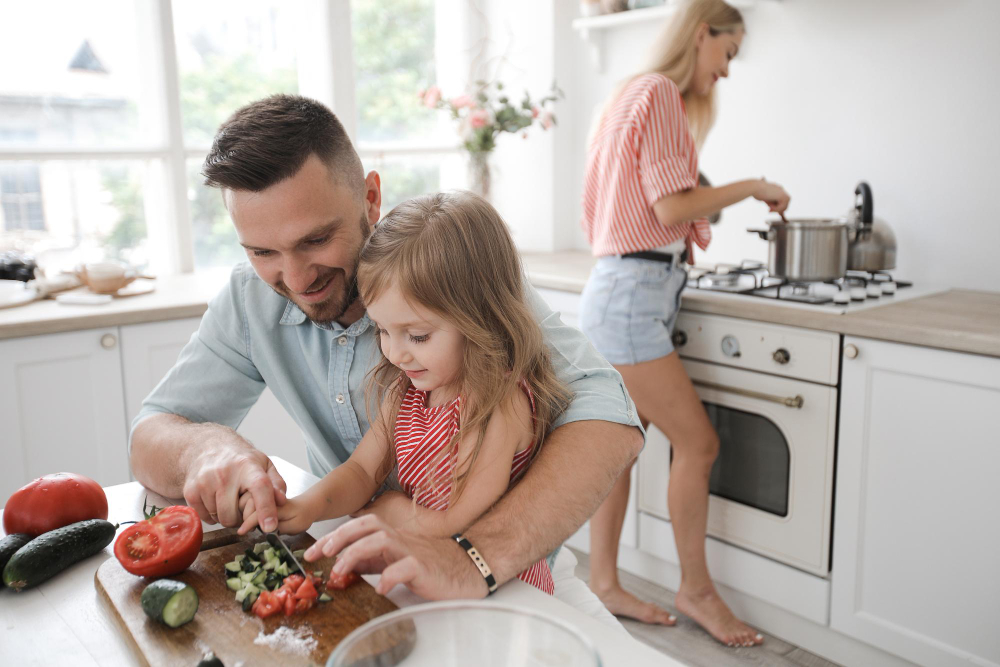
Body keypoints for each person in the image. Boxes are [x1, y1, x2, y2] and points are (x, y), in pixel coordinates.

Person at [129, 94, 644, 605]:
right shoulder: (248, 297)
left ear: (370, 198)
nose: (295, 277)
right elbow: (151, 433)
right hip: (362, 563)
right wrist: (210, 449)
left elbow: (610, 417)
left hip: (507, 573)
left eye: (316, 240)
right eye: (263, 252)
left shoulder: (446, 269)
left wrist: (474, 559)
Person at [579, 0, 790, 648]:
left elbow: (631, 206)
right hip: (633, 298)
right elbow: (672, 203)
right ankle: (696, 588)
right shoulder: (662, 95)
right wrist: (753, 184)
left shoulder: (628, 96)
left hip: (622, 288)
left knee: (622, 446)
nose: (726, 71)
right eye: (727, 54)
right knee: (699, 444)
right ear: (703, 35)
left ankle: (605, 583)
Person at [236, 192, 572, 595]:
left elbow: (458, 523)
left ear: (479, 317)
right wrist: (305, 508)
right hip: (423, 565)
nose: (395, 352)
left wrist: (392, 509)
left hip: (500, 588)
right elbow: (361, 472)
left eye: (417, 335)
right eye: (381, 330)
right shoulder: (406, 389)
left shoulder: (499, 404)